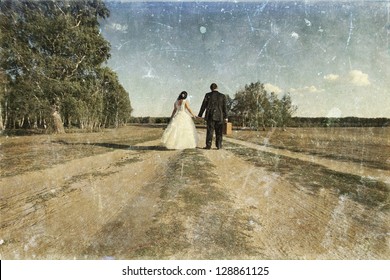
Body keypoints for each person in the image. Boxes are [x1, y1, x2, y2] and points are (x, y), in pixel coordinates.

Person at [198, 83, 228, 149]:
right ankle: (219, 145)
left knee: (210, 131)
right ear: (217, 88)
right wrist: (226, 117)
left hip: (210, 116)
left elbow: (203, 106)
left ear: (211, 88)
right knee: (219, 132)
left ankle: (208, 145)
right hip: (220, 116)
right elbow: (225, 107)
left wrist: (200, 115)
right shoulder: (222, 96)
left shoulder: (207, 95)